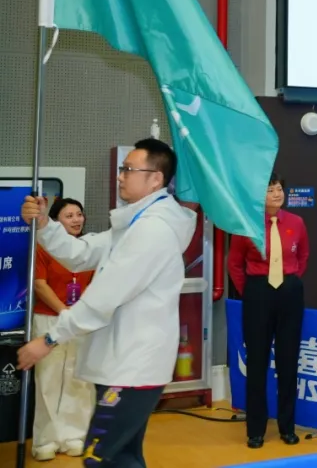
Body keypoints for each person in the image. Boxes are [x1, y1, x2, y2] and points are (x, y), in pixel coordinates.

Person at [18, 138, 196, 467]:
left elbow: (104, 296)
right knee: (122, 457)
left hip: (132, 365)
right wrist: (45, 224)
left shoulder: (152, 230)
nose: (120, 176)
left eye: (129, 169)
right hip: (122, 362)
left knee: (101, 457)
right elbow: (81, 253)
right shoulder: (134, 224)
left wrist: (49, 338)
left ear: (155, 179)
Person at [227, 174, 310, 449]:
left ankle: (287, 427)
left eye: (279, 189)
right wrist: (252, 292)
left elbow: (303, 256)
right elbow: (235, 264)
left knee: (288, 361)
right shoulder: (246, 224)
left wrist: (290, 282)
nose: (277, 194)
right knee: (257, 363)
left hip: (289, 292)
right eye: (270, 189)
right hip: (258, 293)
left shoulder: (296, 223)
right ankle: (256, 430)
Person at [30, 198, 96, 461]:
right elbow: (40, 285)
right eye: (69, 216)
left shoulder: (89, 248)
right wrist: (65, 312)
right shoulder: (43, 247)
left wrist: (79, 313)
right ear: (56, 221)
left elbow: (96, 285)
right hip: (50, 319)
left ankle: (75, 436)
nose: (77, 220)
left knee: (78, 379)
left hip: (81, 321)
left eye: (79, 214)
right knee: (48, 379)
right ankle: (46, 440)